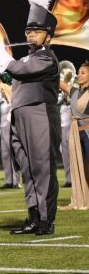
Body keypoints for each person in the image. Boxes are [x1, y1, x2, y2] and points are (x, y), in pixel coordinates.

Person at [0, 0, 60, 235]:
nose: (30, 34)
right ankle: (33, 216)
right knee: (27, 169)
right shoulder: (27, 59)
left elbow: (17, 69)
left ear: (47, 34)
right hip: (20, 114)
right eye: (28, 30)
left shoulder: (46, 58)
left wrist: (3, 56)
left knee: (42, 168)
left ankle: (45, 221)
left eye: (36, 30)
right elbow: (8, 75)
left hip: (39, 114)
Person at [59, 61, 89, 210]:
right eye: (79, 72)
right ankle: (79, 199)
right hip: (76, 133)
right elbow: (60, 83)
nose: (79, 74)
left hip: (88, 132)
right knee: (78, 166)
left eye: (83, 72)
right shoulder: (75, 91)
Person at [0, 89, 21, 190]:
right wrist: (0, 95)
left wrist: (8, 93)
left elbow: (13, 105)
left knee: (13, 154)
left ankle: (16, 181)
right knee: (5, 156)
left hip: (10, 128)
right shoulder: (2, 101)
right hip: (2, 129)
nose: (3, 91)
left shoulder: (11, 98)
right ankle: (8, 181)